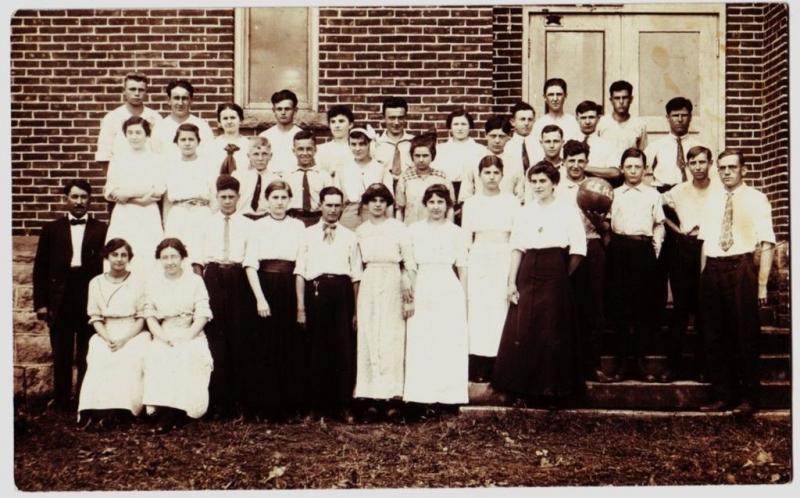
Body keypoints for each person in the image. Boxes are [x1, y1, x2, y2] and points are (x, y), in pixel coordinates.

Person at [492, 161, 586, 408]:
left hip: (555, 267)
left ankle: (552, 391)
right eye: (534, 181)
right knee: (524, 327)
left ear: (554, 183)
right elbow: (517, 246)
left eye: (543, 181)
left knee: (551, 329)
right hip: (528, 269)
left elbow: (578, 249)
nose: (538, 186)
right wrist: (511, 281)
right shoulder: (525, 211)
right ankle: (521, 388)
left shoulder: (567, 210)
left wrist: (561, 276)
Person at [698, 150, 775, 414]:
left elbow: (766, 243)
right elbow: (705, 242)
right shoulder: (712, 200)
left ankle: (749, 398)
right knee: (715, 335)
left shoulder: (757, 199)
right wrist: (703, 275)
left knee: (744, 335)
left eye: (732, 167)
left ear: (744, 170)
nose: (727, 172)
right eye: (722, 168)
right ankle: (723, 395)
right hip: (714, 267)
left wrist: (762, 285)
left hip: (741, 267)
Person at [33, 179, 108, 411]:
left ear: (90, 200)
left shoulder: (102, 229)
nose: (79, 202)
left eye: (84, 197)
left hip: (87, 295)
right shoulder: (51, 230)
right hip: (61, 296)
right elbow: (40, 268)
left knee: (87, 352)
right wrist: (41, 304)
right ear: (66, 199)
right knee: (61, 353)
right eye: (74, 197)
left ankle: (85, 400)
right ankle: (62, 400)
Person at [295, 186, 362, 420]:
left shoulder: (350, 236)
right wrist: (301, 307)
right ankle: (316, 407)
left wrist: (355, 311)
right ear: (320, 206)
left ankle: (342, 405)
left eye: (337, 205)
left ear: (343, 207)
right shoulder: (307, 234)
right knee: (316, 350)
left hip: (342, 292)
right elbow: (300, 272)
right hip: (317, 292)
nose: (333, 210)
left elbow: (356, 276)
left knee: (343, 350)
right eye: (329, 205)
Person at [244, 180, 308, 420]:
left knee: (289, 345)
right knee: (265, 346)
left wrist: (300, 303)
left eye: (283, 197)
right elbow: (250, 264)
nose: (279, 202)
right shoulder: (257, 227)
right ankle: (264, 406)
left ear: (289, 200)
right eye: (275, 198)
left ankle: (288, 406)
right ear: (266, 201)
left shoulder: (298, 226)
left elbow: (301, 262)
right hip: (265, 286)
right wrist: (260, 299)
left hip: (290, 286)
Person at [403, 184, 469, 413]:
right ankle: (421, 399)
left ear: (448, 205)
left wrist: (464, 298)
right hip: (422, 284)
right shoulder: (413, 230)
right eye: (431, 202)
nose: (436, 207)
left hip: (448, 286)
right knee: (422, 340)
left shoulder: (456, 232)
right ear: (425, 205)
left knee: (447, 341)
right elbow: (410, 265)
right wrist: (411, 292)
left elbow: (462, 266)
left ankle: (448, 399)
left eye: (440, 202)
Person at [354, 183, 415, 421]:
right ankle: (370, 400)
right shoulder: (360, 231)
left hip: (393, 280)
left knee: (391, 336)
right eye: (373, 201)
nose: (377, 205)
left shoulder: (399, 228)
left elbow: (409, 263)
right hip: (370, 280)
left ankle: (392, 399)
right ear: (366, 205)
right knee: (370, 335)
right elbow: (357, 268)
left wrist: (408, 287)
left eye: (382, 200)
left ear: (388, 204)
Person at [142, 238, 214, 433]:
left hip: (191, 331)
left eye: (174, 256)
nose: (170, 261)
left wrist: (188, 335)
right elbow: (149, 314)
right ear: (159, 260)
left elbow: (203, 313)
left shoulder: (194, 280)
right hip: (164, 332)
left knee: (187, 355)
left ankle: (178, 413)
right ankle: (164, 410)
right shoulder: (153, 282)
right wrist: (163, 337)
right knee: (159, 354)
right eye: (165, 257)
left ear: (183, 258)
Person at [198, 175, 255, 419]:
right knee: (215, 339)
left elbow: (251, 258)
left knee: (238, 338)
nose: (228, 201)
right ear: (217, 197)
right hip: (213, 277)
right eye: (223, 197)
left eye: (232, 197)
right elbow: (198, 260)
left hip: (237, 276)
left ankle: (237, 402)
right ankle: (217, 402)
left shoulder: (248, 225)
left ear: (238, 198)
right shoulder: (206, 224)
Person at [77, 238, 150, 431]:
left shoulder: (138, 281)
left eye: (123, 255)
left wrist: (124, 339)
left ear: (129, 258)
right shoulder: (96, 283)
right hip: (106, 332)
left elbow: (142, 317)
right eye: (114, 254)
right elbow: (95, 316)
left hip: (133, 332)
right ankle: (92, 411)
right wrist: (108, 338)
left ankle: (121, 412)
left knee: (127, 358)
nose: (119, 259)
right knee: (100, 356)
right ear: (107, 257)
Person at [606, 148, 665, 381]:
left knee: (643, 307)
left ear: (645, 169)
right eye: (628, 167)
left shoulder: (653, 195)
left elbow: (659, 223)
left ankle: (640, 361)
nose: (633, 171)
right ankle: (622, 363)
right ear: (622, 169)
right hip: (619, 249)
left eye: (637, 166)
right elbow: (607, 223)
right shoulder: (613, 193)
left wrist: (656, 246)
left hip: (643, 249)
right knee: (620, 306)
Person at [660, 145, 718, 382]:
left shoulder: (720, 189)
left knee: (706, 309)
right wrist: (677, 231)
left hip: (711, 247)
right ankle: (672, 366)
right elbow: (658, 210)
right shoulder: (678, 190)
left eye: (702, 162)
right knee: (681, 309)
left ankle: (703, 367)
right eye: (693, 163)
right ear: (687, 165)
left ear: (710, 163)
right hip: (685, 248)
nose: (698, 167)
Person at [461, 155, 520, 382]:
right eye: (487, 172)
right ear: (480, 175)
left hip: (503, 256)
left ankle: (500, 363)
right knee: (478, 310)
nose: (491, 177)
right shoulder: (471, 203)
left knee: (500, 309)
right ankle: (479, 364)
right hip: (479, 257)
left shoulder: (512, 202)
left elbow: (516, 237)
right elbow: (466, 238)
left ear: (502, 175)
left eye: (496, 172)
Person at [557, 140, 612, 382]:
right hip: (565, 249)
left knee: (594, 307)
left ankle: (593, 365)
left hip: (592, 246)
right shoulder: (556, 189)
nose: (576, 165)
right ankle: (566, 365)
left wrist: (597, 219)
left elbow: (608, 231)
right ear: (564, 161)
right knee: (565, 305)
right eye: (572, 161)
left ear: (587, 163)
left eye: (581, 161)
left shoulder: (599, 188)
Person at [103, 116, 165, 276]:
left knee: (147, 254)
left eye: (138, 132)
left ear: (147, 135)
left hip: (147, 213)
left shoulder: (156, 159)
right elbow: (109, 190)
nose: (134, 136)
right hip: (124, 214)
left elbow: (159, 188)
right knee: (121, 252)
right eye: (130, 132)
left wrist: (128, 193)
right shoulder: (118, 159)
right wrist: (138, 198)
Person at [162, 123, 216, 272]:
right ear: (177, 142)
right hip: (178, 213)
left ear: (198, 141)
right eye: (183, 139)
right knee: (176, 255)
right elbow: (167, 197)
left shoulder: (208, 164)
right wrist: (166, 221)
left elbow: (213, 194)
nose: (187, 143)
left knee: (199, 256)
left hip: (201, 212)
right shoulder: (171, 165)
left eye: (191, 139)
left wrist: (212, 218)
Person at [95, 72, 162, 164]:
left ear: (146, 91)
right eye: (132, 89)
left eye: (141, 90)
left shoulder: (155, 117)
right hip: (121, 173)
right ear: (124, 90)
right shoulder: (112, 117)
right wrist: (114, 177)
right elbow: (104, 155)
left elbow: (160, 151)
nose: (137, 93)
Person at [337, 126, 393, 230]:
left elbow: (389, 201)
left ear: (369, 144)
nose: (357, 149)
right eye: (353, 144)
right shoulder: (343, 168)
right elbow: (337, 199)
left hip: (375, 214)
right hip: (350, 215)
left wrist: (389, 224)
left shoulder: (380, 168)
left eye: (362, 144)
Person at [644, 97, 704, 191]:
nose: (680, 119)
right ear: (668, 118)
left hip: (692, 193)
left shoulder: (700, 147)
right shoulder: (655, 146)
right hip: (663, 195)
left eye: (684, 115)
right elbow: (640, 172)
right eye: (675, 115)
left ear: (690, 117)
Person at [460, 116, 524, 202]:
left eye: (501, 136)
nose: (497, 140)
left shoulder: (514, 162)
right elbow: (465, 194)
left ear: (509, 137)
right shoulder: (473, 160)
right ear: (485, 135)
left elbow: (520, 195)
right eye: (493, 136)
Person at [395, 134, 454, 225]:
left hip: (437, 230)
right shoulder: (405, 178)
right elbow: (400, 209)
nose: (421, 160)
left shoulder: (442, 177)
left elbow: (450, 208)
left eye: (425, 155)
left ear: (432, 156)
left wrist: (450, 230)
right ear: (412, 157)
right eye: (417, 156)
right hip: (411, 229)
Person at [431, 108, 486, 203]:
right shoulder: (440, 149)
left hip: (474, 194)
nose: (460, 128)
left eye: (464, 124)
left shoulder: (480, 150)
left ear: (470, 126)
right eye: (456, 124)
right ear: (450, 127)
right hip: (444, 194)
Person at [150, 80, 214, 156]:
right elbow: (154, 157)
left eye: (184, 98)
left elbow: (209, 155)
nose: (180, 103)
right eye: (176, 98)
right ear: (169, 100)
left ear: (191, 100)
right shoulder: (160, 127)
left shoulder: (202, 126)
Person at [286, 130, 334, 227]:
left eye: (309, 149)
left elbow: (331, 201)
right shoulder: (287, 176)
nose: (305, 153)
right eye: (300, 149)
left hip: (317, 219)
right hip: (293, 219)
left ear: (315, 150)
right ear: (294, 151)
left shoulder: (324, 176)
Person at [258, 89, 304, 175]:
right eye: (279, 109)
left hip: (295, 181)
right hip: (269, 182)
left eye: (287, 109)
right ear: (273, 110)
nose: (283, 112)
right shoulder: (264, 136)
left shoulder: (302, 136)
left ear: (295, 110)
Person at [574, 100, 622, 181]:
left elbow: (615, 172)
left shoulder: (607, 145)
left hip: (597, 190)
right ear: (577, 119)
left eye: (591, 117)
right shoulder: (568, 142)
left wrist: (584, 168)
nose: (587, 122)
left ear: (598, 118)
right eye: (583, 118)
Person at [374, 97, 415, 186]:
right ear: (384, 118)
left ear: (406, 118)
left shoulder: (415, 143)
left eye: (400, 118)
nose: (396, 122)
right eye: (392, 118)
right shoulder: (375, 145)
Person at [597, 80, 648, 152]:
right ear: (611, 100)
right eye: (617, 98)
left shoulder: (639, 125)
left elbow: (642, 154)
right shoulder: (601, 123)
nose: (621, 102)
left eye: (625, 97)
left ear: (631, 99)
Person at [532, 78, 582, 142]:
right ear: (544, 97)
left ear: (565, 96)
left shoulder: (574, 123)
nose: (555, 99)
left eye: (559, 94)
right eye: (551, 95)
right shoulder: (538, 124)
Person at [210, 103, 251, 176]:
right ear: (219, 122)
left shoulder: (248, 145)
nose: (229, 121)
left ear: (241, 120)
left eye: (233, 118)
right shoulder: (213, 145)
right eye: (225, 118)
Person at [315, 105, 355, 180]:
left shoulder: (356, 149)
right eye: (333, 122)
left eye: (341, 121)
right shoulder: (321, 150)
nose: (336, 125)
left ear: (350, 125)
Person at [504, 101, 541, 178]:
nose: (526, 123)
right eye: (522, 119)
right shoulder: (507, 147)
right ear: (513, 122)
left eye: (530, 119)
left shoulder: (539, 145)